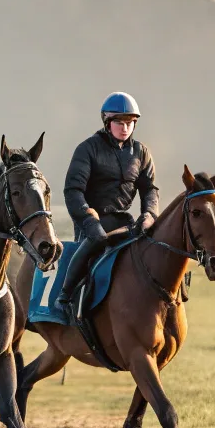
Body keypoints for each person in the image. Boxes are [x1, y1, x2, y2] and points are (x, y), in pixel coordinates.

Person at [55, 91, 159, 313]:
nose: (125, 127)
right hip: (92, 222)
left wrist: (149, 215)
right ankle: (65, 296)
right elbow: (73, 191)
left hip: (123, 220)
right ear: (107, 121)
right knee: (97, 240)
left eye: (130, 122)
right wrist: (88, 220)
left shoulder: (141, 152)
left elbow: (149, 189)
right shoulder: (87, 148)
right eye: (119, 122)